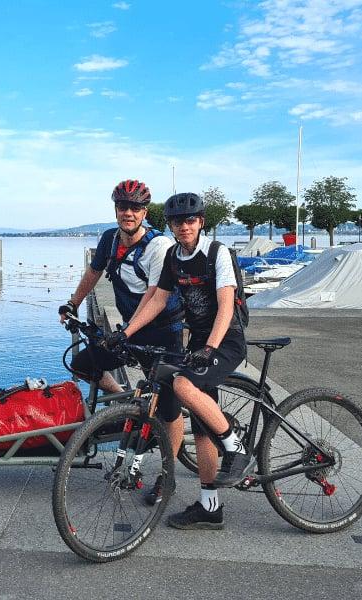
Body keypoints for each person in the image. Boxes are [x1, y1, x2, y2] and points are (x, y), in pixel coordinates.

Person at [106, 192, 253, 530]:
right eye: (176, 221)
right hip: (201, 343)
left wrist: (211, 347)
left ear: (201, 222)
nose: (184, 226)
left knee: (182, 385)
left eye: (190, 220)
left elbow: (226, 305)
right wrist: (127, 332)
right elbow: (158, 298)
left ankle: (236, 448)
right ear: (170, 225)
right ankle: (210, 508)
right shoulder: (173, 256)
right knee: (202, 431)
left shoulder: (217, 253)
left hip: (225, 341)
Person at [58, 178, 183, 401]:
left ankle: (171, 429)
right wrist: (73, 303)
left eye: (135, 208)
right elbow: (94, 272)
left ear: (144, 213)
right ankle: (126, 403)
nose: (128, 213)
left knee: (165, 402)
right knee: (82, 365)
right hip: (130, 330)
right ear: (116, 210)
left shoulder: (159, 246)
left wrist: (126, 333)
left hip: (162, 332)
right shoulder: (110, 239)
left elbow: (154, 296)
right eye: (123, 207)